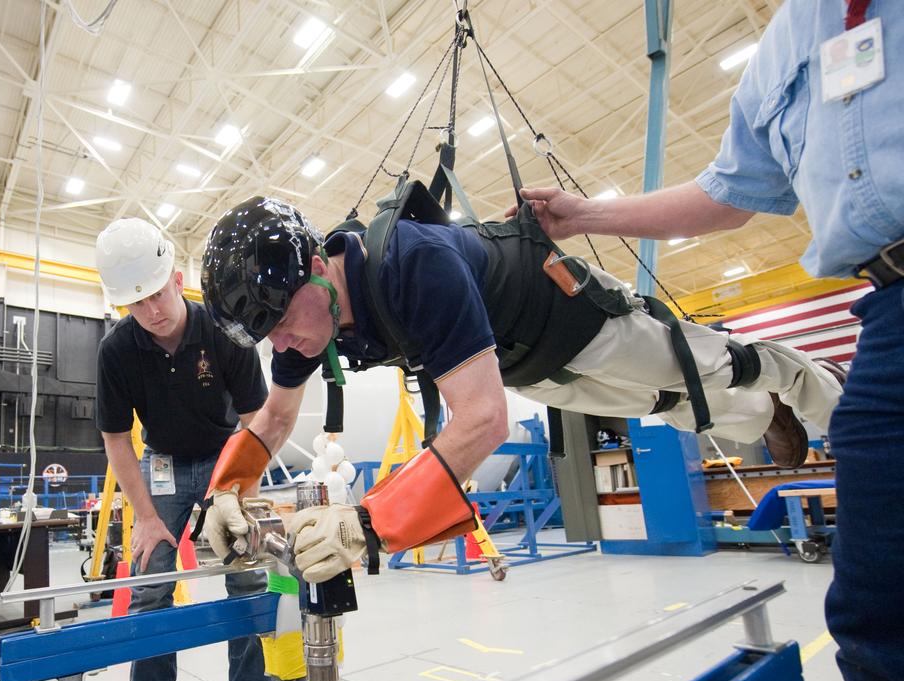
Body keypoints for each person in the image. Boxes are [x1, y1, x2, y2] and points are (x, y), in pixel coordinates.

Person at [512, 2, 902, 681]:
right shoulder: (788, 47)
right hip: (889, 310)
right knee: (877, 623)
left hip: (832, 352)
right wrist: (582, 216)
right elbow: (729, 194)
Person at [196, 192, 844, 586]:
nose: (281, 346)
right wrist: (227, 490)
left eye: (281, 324)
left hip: (576, 317)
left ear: (315, 267)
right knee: (668, 408)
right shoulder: (310, 320)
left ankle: (820, 388)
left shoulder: (411, 264)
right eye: (268, 336)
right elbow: (276, 415)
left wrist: (367, 525)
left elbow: (482, 421)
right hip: (530, 366)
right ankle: (763, 416)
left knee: (702, 367)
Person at [91, 217, 272, 681]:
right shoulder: (117, 351)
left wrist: (235, 490)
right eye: (135, 302)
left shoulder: (223, 331)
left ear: (175, 273)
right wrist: (145, 518)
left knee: (246, 579)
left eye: (156, 291)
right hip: (162, 464)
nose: (150, 310)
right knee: (150, 588)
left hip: (227, 457)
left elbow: (257, 420)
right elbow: (117, 440)